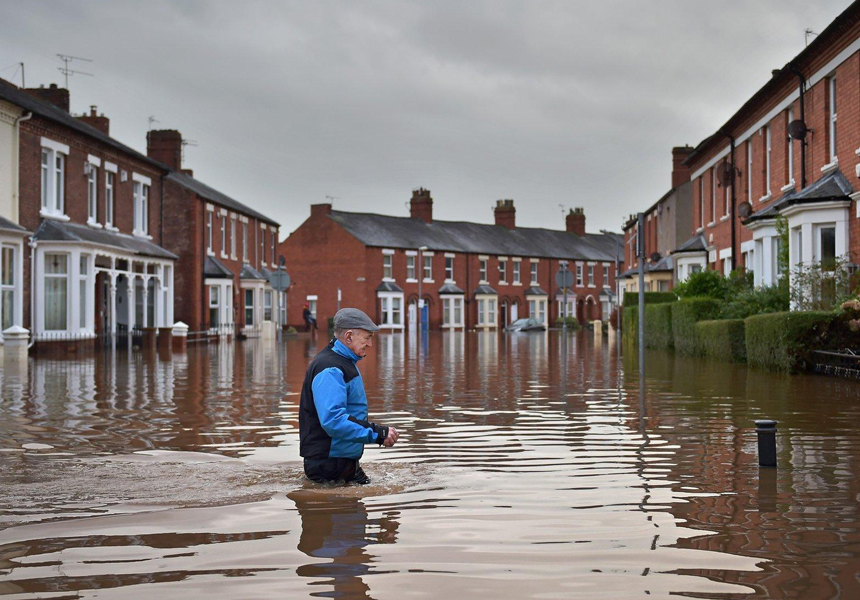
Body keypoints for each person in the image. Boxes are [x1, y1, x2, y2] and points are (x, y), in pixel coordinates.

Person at [299, 308, 399, 484]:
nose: (369, 344)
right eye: (367, 338)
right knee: (348, 510)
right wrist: (378, 433)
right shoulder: (331, 369)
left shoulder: (343, 361)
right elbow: (333, 420)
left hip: (341, 461)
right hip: (329, 464)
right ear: (349, 336)